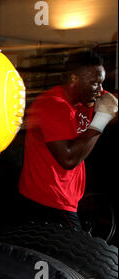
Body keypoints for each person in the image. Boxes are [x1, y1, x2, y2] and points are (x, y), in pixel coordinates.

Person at [18, 51, 118, 230]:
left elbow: (111, 104)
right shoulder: (52, 105)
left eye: (101, 82)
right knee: (74, 256)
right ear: (74, 79)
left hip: (66, 199)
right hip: (48, 203)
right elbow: (68, 158)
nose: (100, 90)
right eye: (95, 83)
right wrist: (102, 118)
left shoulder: (84, 100)